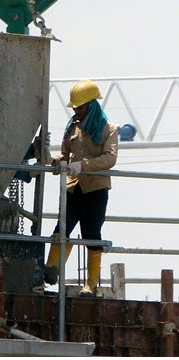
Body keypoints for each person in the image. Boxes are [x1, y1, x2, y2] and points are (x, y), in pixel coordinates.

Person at [44, 79, 119, 297]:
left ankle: (90, 284)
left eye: (81, 107)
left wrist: (82, 165)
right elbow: (66, 154)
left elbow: (110, 159)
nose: (77, 111)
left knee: (91, 234)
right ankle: (52, 268)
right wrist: (55, 161)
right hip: (73, 187)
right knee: (62, 228)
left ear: (92, 106)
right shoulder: (72, 128)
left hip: (95, 189)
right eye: (75, 107)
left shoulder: (109, 130)